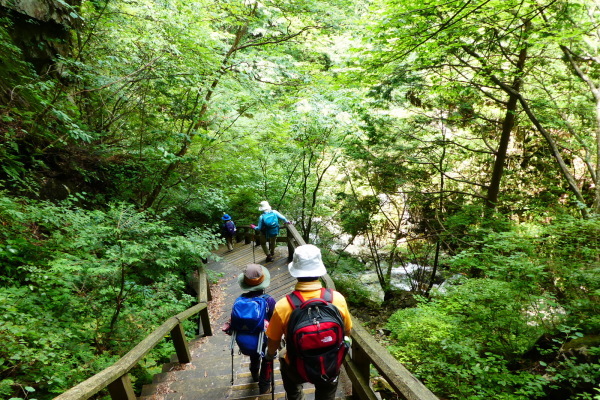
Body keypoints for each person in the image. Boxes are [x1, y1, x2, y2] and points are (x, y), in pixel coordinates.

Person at [265, 245, 352, 400]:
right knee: (326, 394)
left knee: (283, 355)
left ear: (295, 272)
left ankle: (295, 396)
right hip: (329, 365)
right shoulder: (336, 298)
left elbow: (273, 341)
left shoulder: (283, 305)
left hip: (297, 366)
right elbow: (347, 332)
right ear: (319, 270)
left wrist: (269, 356)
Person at [225, 264, 276, 394]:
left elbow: (234, 322)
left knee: (255, 355)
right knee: (267, 356)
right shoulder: (269, 301)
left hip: (244, 341)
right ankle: (264, 386)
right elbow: (275, 321)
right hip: (262, 339)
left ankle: (254, 372)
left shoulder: (240, 300)